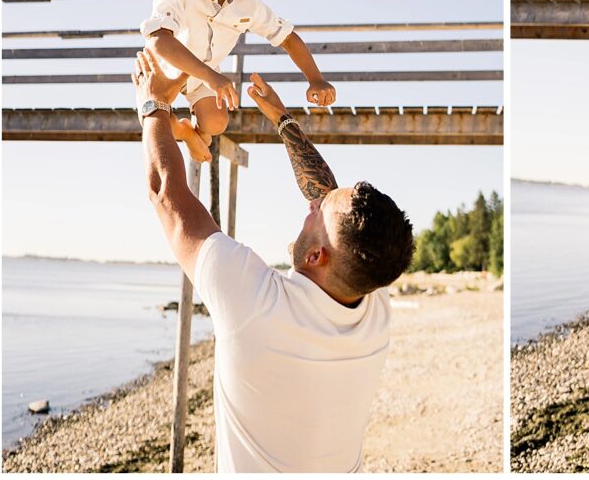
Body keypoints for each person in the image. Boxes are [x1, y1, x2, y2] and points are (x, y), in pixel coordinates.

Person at [132, 48, 414, 472]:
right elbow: (337, 214)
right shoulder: (372, 302)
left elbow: (167, 195)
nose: (311, 205)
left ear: (317, 255)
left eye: (316, 211)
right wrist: (283, 120)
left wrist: (152, 104)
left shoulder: (254, 303)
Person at [141, 0, 337, 162]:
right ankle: (181, 131)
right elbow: (159, 42)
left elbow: (288, 39)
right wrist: (211, 76)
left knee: (216, 124)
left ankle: (192, 133)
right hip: (165, 70)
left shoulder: (247, 3)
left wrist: (315, 78)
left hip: (205, 77)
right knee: (158, 125)